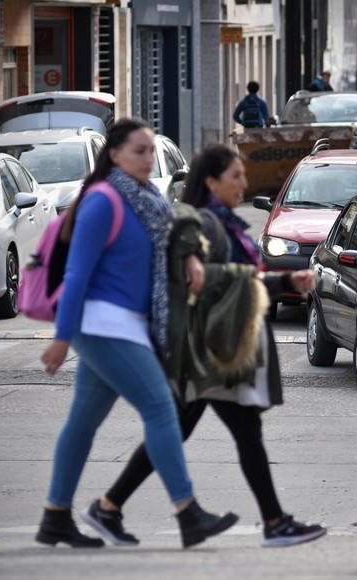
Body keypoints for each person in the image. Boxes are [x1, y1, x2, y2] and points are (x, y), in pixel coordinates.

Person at [82, 143, 327, 549]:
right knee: (245, 432)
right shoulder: (203, 221)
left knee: (177, 429)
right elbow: (184, 236)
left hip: (211, 349)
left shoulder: (227, 223)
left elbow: (239, 279)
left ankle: (109, 506)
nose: (244, 183)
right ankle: (274, 522)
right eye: (236, 176)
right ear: (211, 181)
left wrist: (283, 282)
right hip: (209, 351)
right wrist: (194, 256)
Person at [35, 118, 238, 549]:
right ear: (113, 155)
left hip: (128, 324)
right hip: (103, 325)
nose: (148, 159)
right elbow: (76, 274)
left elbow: (173, 233)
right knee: (162, 409)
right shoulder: (103, 201)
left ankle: (55, 515)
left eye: (151, 151)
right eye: (138, 151)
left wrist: (187, 257)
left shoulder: (148, 200)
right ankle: (188, 513)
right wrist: (62, 336)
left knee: (82, 422)